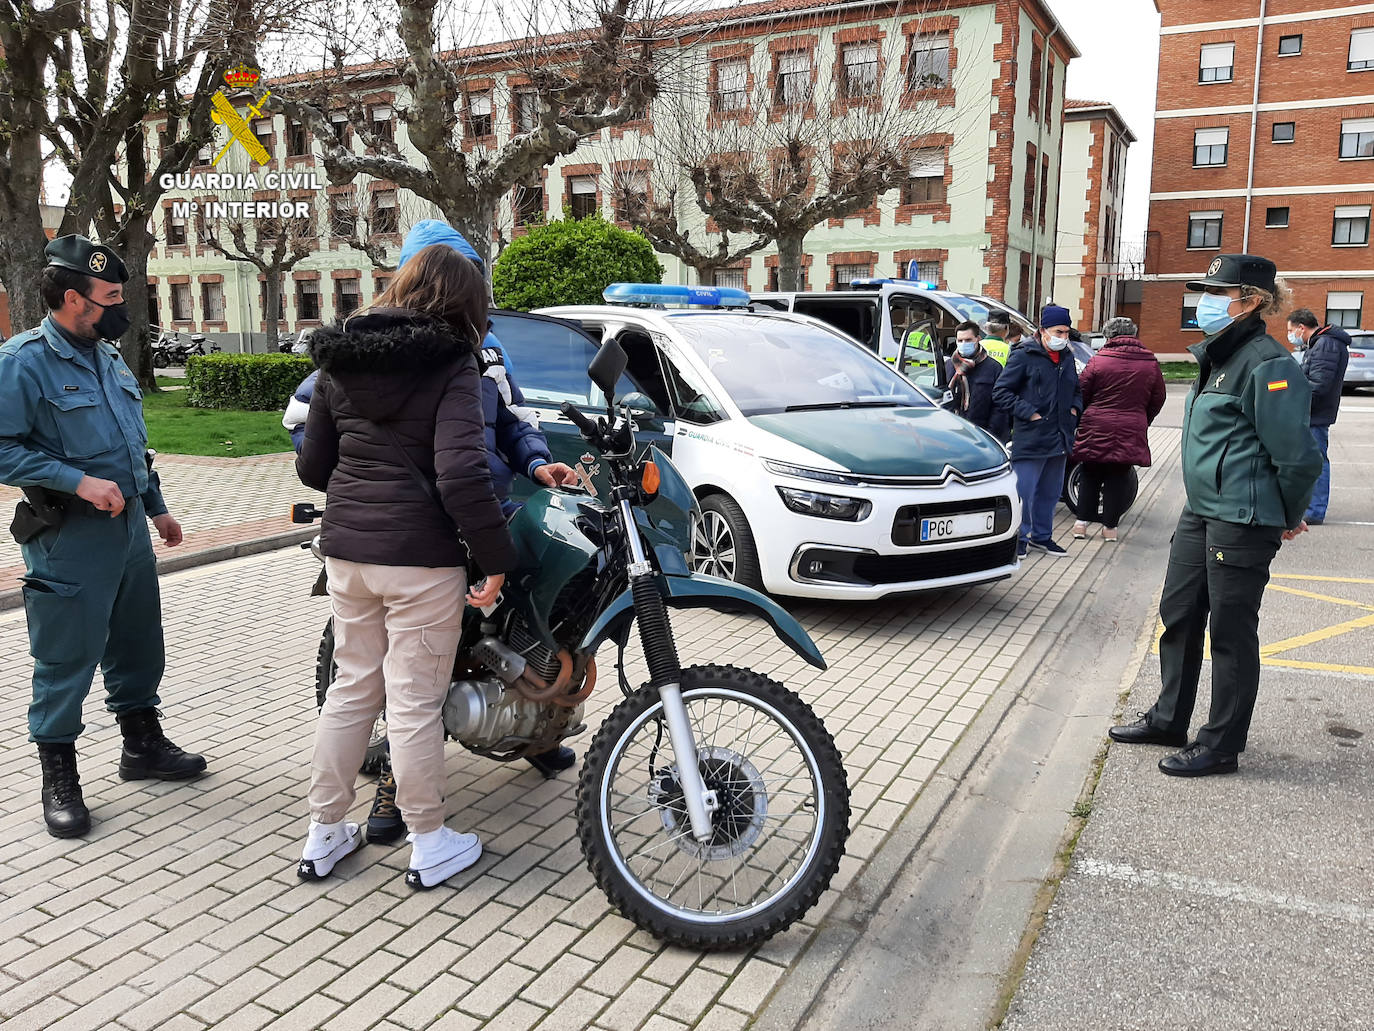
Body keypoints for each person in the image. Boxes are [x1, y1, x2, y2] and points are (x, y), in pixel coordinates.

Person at [295, 242, 519, 889]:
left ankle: (323, 833)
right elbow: (462, 474)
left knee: (352, 688)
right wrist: (495, 559)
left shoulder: (340, 357)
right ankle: (428, 840)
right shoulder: (453, 362)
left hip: (348, 556)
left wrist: (365, 488)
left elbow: (313, 466)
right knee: (415, 703)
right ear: (465, 304)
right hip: (421, 559)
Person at [0, 235, 205, 839]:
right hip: (69, 537)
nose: (122, 308)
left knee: (139, 644)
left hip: (130, 533)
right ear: (73, 299)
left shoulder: (108, 355)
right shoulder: (22, 362)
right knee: (66, 658)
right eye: (111, 297)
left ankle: (141, 745)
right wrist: (77, 481)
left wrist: (157, 509)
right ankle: (59, 774)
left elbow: (132, 445)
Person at [1110, 255, 1322, 778]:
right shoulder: (1218, 355)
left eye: (1216, 292)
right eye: (1204, 290)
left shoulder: (1268, 364)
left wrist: (1288, 513)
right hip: (1202, 508)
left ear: (1250, 301)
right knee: (1179, 614)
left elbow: (1297, 456)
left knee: (1230, 631)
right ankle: (1168, 719)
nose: (1203, 301)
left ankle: (1221, 744)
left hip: (1242, 516)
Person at [992, 304, 1082, 559]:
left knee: (1050, 493)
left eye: (1066, 332)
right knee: (1024, 493)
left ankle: (1042, 537)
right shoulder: (1023, 355)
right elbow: (1001, 392)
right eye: (1058, 332)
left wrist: (1074, 409)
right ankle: (1019, 539)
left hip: (1060, 437)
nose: (1063, 337)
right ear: (1043, 330)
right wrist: (1029, 413)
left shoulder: (1066, 358)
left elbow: (1076, 389)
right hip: (1032, 437)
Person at [1069, 317, 1167, 542]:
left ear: (1108, 336)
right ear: (1133, 334)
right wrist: (1143, 418)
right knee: (1119, 475)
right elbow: (1158, 397)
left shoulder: (1098, 361)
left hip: (1096, 425)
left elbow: (1082, 392)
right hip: (1131, 426)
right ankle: (1110, 528)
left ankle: (1081, 524)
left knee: (1090, 472)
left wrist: (1085, 416)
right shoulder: (1150, 363)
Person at [1286, 308, 1350, 525]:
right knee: (1312, 461)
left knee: (1317, 462)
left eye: (1291, 330)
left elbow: (1318, 385)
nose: (1290, 335)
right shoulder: (1321, 343)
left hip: (1315, 414)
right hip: (1314, 413)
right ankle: (1310, 507)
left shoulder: (1325, 344)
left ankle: (1314, 511)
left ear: (1301, 327)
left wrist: (1295, 401)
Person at [944, 321, 1007, 438]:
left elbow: (1000, 405)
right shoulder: (949, 366)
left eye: (968, 340)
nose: (963, 344)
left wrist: (991, 433)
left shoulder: (993, 368)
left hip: (982, 432)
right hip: (952, 431)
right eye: (960, 341)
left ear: (978, 339)